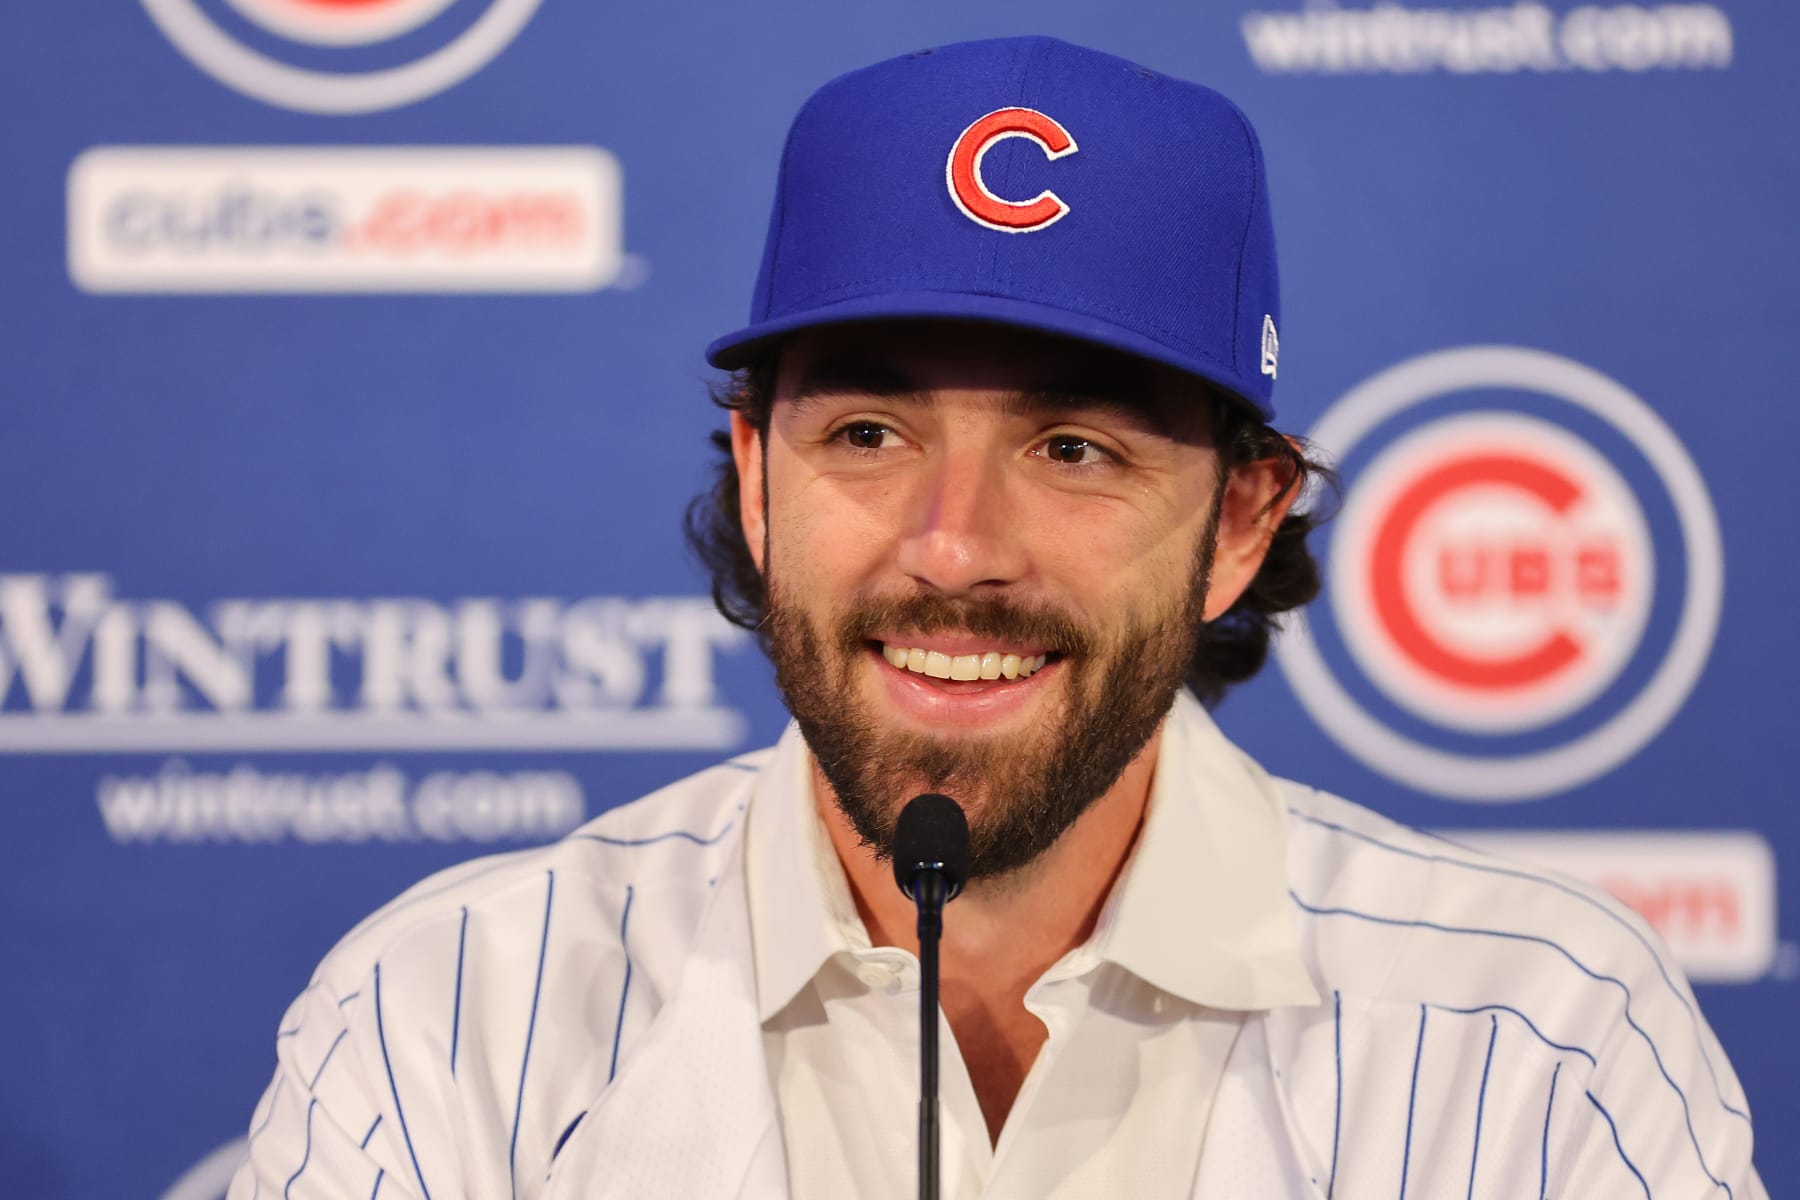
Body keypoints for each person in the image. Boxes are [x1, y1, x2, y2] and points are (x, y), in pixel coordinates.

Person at [229, 35, 1762, 1199]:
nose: (955, 548)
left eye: (1073, 449)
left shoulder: (1537, 1044)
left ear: (1241, 521)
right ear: (759, 482)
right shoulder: (446, 1023)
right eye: (869, 437)